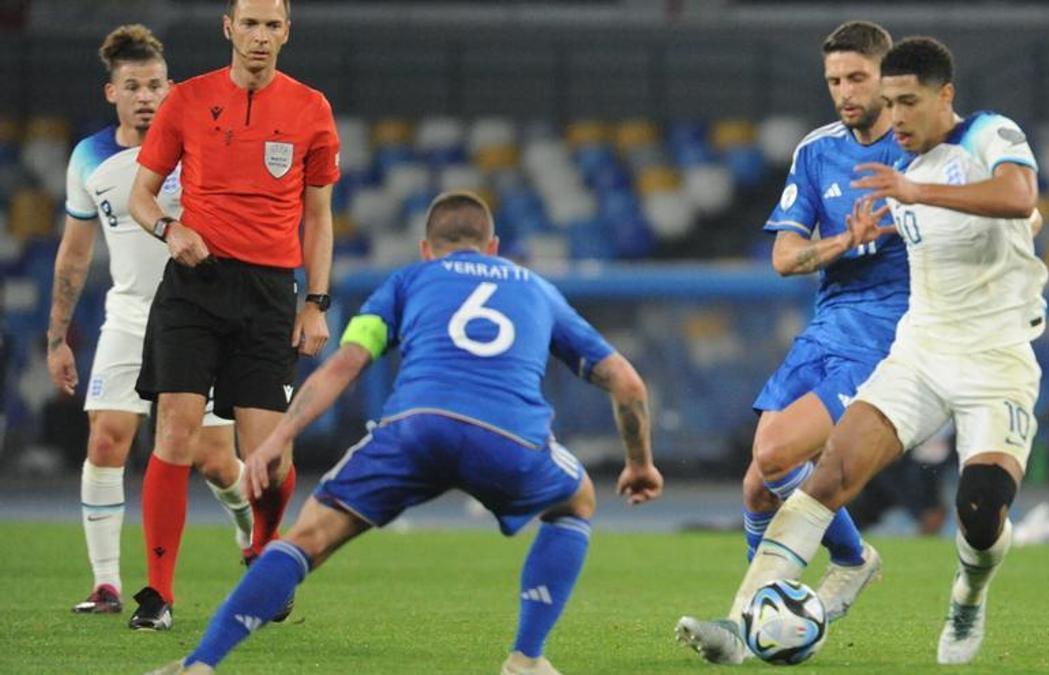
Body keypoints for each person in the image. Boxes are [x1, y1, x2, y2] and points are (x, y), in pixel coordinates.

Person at [149, 191, 664, 675]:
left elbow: (344, 366)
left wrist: (280, 437)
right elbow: (628, 383)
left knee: (308, 538)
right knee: (577, 501)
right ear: (495, 248)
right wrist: (640, 464)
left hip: (415, 430)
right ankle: (527, 659)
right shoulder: (538, 290)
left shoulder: (407, 282)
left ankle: (201, 663)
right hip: (508, 438)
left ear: (425, 250)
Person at [733, 36, 1047, 665]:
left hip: (996, 361)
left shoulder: (989, 135)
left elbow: (1019, 199)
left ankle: (969, 593)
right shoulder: (884, 171)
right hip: (919, 355)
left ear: (944, 97)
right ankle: (747, 616)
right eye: (890, 103)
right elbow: (795, 254)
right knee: (827, 479)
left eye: (907, 102)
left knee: (979, 512)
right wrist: (854, 234)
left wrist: (917, 194)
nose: (895, 116)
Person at [675, 21, 907, 665]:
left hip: (890, 331)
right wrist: (845, 241)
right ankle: (844, 565)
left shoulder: (920, 149)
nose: (844, 92)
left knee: (774, 452)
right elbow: (784, 258)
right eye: (834, 80)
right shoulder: (817, 151)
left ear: (886, 78)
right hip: (827, 324)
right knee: (757, 484)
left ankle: (744, 624)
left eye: (857, 77)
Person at [125, 0, 340, 630]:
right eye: (250, 23)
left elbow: (319, 215)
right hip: (195, 284)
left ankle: (262, 556)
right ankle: (158, 594)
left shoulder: (311, 108)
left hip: (270, 293)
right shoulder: (186, 100)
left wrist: (316, 302)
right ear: (229, 28)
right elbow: (142, 195)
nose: (261, 36)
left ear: (287, 34)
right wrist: (170, 229)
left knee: (266, 454)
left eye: (273, 25)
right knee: (175, 430)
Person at [46, 24, 253, 616]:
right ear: (112, 92)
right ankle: (107, 583)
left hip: (201, 319)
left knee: (214, 459)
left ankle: (248, 534)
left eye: (155, 85)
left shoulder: (201, 145)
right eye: (132, 85)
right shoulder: (89, 157)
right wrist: (58, 337)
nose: (145, 95)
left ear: (172, 88)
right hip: (131, 318)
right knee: (107, 440)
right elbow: (75, 252)